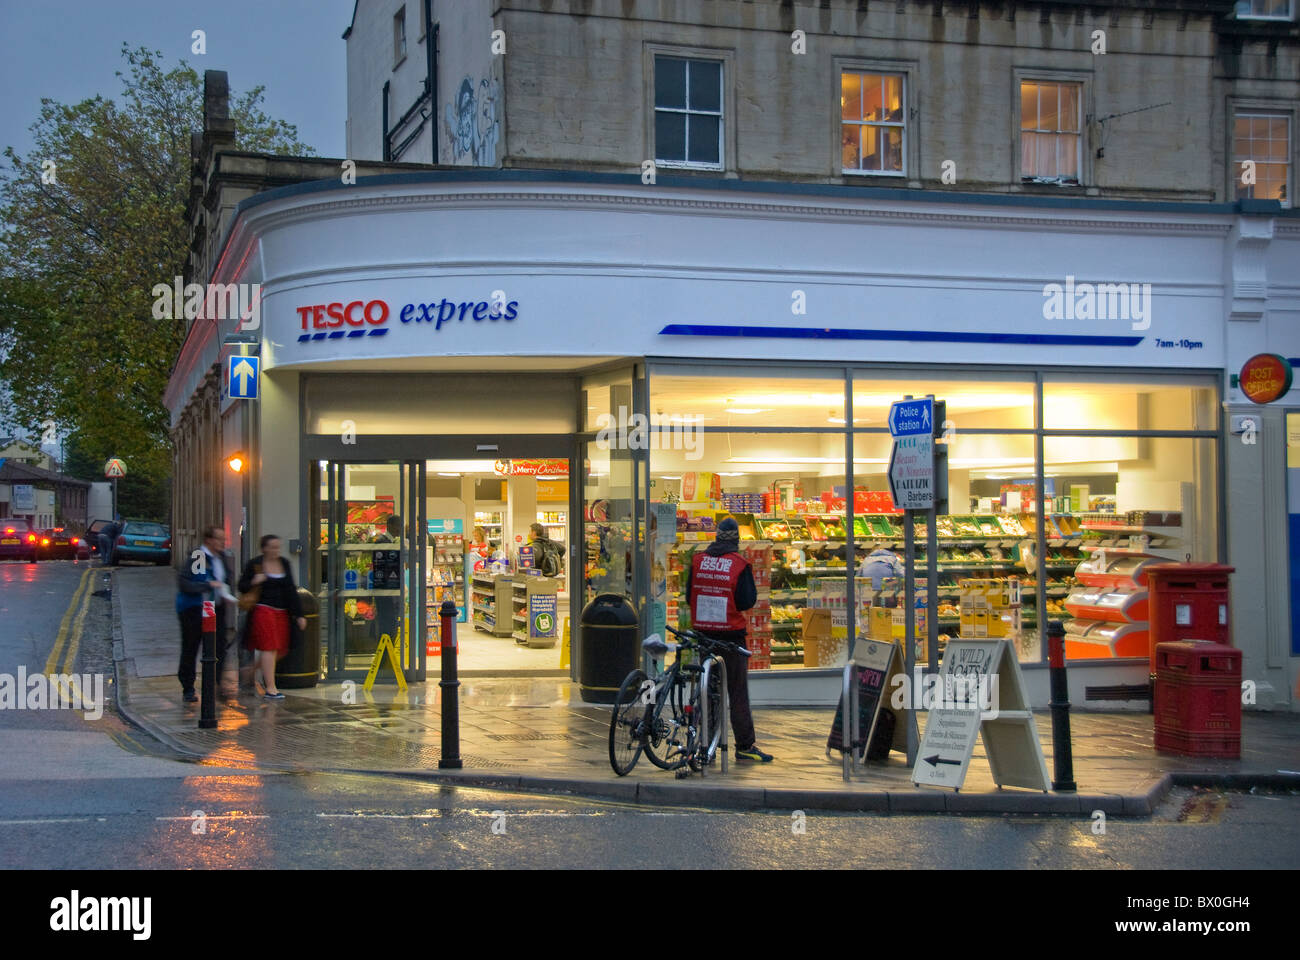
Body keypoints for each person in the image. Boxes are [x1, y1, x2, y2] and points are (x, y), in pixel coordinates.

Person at [683, 516, 773, 763]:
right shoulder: (739, 564)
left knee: (707, 690)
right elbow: (747, 601)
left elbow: (688, 595)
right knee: (737, 691)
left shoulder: (698, 561)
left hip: (704, 636)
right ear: (737, 540)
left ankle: (706, 743)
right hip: (731, 637)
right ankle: (744, 745)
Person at [237, 534, 306, 701]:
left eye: (277, 547)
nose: (276, 550)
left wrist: (299, 615)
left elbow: (291, 590)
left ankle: (252, 669)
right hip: (263, 610)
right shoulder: (255, 564)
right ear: (264, 548)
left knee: (281, 648)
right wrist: (254, 580)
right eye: (272, 547)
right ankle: (271, 688)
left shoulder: (284, 563)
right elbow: (242, 586)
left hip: (282, 611)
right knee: (270, 647)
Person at [175, 524, 236, 704]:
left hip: (216, 608)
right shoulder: (200, 557)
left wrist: (227, 593)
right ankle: (188, 688)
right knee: (191, 647)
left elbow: (227, 580)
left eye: (224, 539)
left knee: (219, 647)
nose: (223, 542)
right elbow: (187, 584)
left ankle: (215, 685)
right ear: (209, 540)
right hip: (194, 608)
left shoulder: (222, 557)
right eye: (219, 539)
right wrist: (209, 585)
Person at [372, 515, 403, 644]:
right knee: (387, 624)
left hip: (388, 591)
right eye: (398, 526)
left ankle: (386, 652)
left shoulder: (389, 542)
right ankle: (385, 654)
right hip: (385, 592)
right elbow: (383, 566)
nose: (400, 529)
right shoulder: (382, 542)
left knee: (390, 623)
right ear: (390, 526)